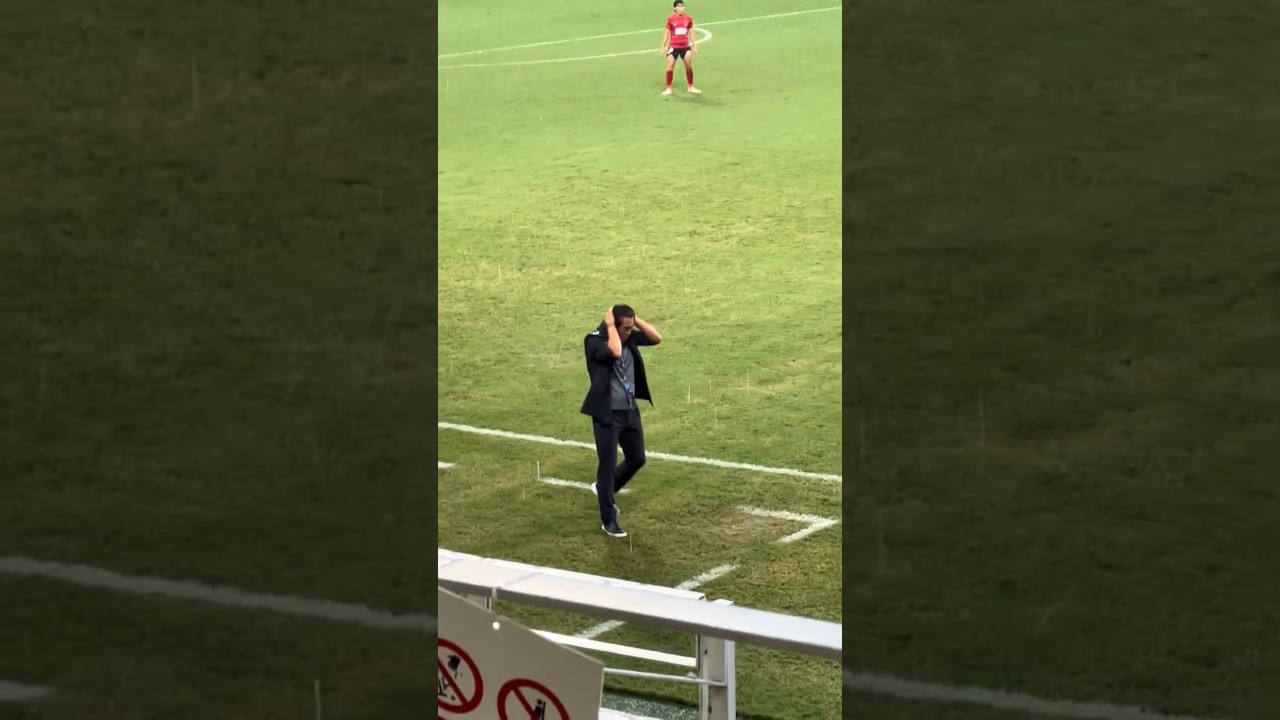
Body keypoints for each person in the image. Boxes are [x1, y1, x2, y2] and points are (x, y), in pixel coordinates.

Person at [580, 305, 663, 537]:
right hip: (607, 414)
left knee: (637, 458)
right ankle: (609, 519)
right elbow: (615, 351)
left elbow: (656, 338)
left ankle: (604, 489)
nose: (630, 332)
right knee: (607, 466)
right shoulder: (594, 341)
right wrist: (609, 325)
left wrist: (635, 321)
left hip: (629, 411)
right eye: (625, 328)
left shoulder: (627, 337)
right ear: (612, 325)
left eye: (631, 328)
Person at [659, 0, 700, 96]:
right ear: (674, 8)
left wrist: (695, 45)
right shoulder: (670, 19)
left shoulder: (688, 18)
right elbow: (666, 33)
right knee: (670, 66)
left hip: (685, 47)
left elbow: (691, 33)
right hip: (673, 47)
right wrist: (662, 47)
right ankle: (668, 88)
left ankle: (691, 86)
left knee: (688, 65)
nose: (681, 8)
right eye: (679, 6)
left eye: (682, 6)